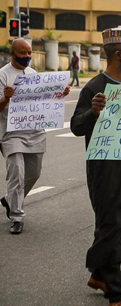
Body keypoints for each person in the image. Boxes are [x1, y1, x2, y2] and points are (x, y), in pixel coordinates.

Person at [71, 27, 121, 306]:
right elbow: (77, 126)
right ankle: (115, 291)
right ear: (118, 55)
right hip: (105, 168)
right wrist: (94, 112)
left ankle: (98, 272)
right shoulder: (94, 87)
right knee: (112, 223)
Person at [0, 39, 69, 235]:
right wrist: (6, 97)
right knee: (16, 175)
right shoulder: (3, 76)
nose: (27, 56)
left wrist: (60, 94)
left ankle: (9, 200)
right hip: (11, 134)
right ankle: (17, 217)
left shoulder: (32, 74)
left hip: (34, 132)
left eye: (29, 52)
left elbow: (43, 100)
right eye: (23, 53)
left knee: (34, 173)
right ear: (13, 55)